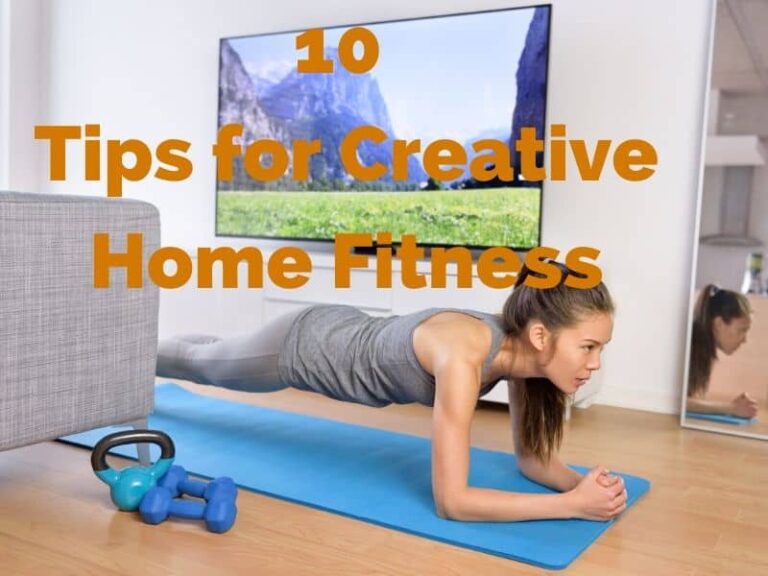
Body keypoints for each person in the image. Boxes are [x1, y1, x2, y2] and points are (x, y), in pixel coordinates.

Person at [157, 262, 626, 522]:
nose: (595, 363)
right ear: (543, 336)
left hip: (342, 327)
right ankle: (120, 353)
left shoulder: (522, 354)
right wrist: (570, 507)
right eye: (587, 347)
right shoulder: (464, 357)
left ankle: (164, 345)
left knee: (211, 354)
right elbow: (453, 502)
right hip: (304, 348)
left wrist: (582, 486)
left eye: (600, 348)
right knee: (205, 366)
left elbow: (531, 460)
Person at [686, 284, 758, 419]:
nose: (744, 340)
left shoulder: (703, 350)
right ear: (718, 324)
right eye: (742, 330)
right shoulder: (691, 346)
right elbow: (675, 401)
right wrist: (732, 408)